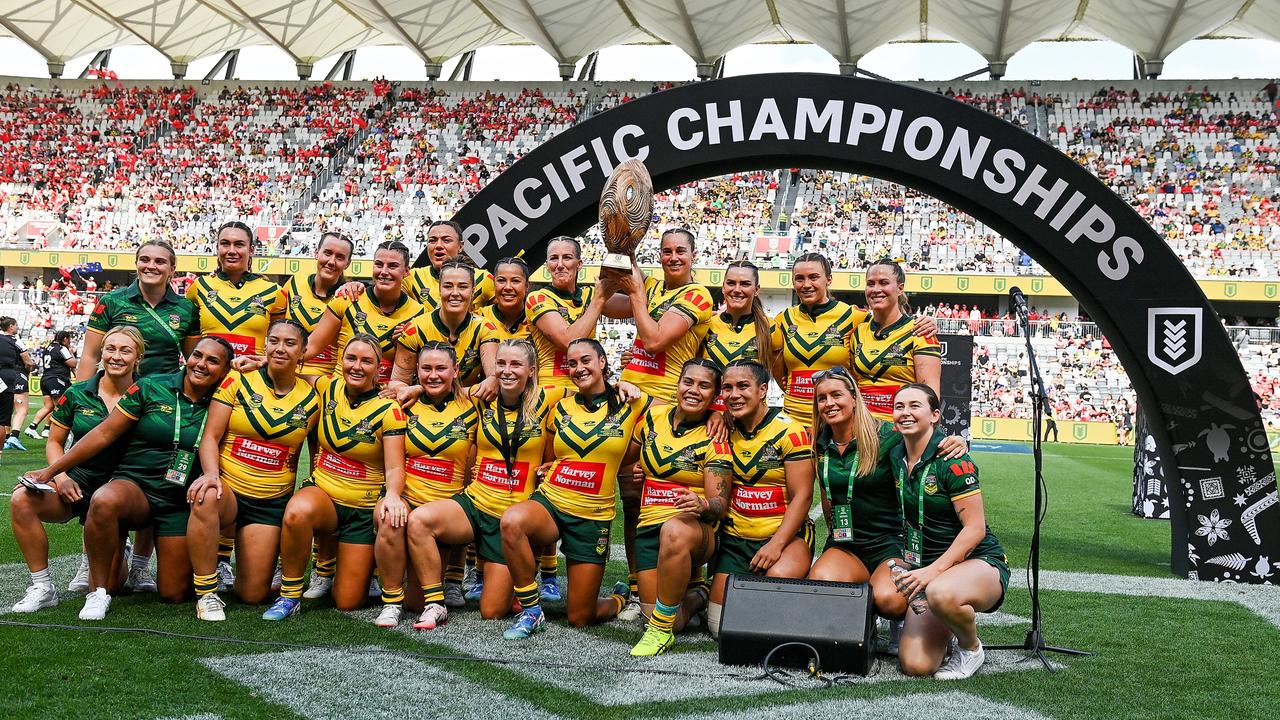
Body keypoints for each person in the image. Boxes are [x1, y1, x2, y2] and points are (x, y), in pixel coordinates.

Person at [21, 337, 234, 620]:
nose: (201, 364)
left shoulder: (226, 396)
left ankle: (134, 554)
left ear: (225, 370)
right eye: (197, 355)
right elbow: (104, 433)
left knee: (173, 592)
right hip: (137, 486)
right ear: (188, 357)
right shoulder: (152, 386)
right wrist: (52, 472)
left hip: (180, 500)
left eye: (213, 361)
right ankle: (97, 592)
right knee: (104, 498)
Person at [407, 339, 564, 629]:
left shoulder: (549, 398)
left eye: (515, 364)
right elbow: (442, 385)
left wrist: (622, 387)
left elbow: (593, 390)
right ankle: (435, 603)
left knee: (491, 611)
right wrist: (415, 387)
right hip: (475, 504)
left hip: (511, 517)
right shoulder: (482, 397)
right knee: (419, 521)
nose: (506, 371)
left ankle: (514, 589)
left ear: (531, 369)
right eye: (501, 364)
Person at [806, 367, 968, 647]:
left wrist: (954, 439)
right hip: (847, 545)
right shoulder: (819, 442)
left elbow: (924, 441)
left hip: (889, 543)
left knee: (890, 600)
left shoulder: (886, 435)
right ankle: (865, 620)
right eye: (822, 398)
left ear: (854, 397)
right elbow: (826, 492)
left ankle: (899, 618)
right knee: (822, 583)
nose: (829, 403)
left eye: (837, 395)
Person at [500, 338, 649, 640]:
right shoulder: (559, 406)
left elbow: (678, 411)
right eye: (572, 363)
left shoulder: (632, 402)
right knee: (512, 521)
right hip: (552, 501)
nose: (579, 368)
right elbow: (550, 455)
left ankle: (619, 598)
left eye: (586, 361)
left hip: (593, 516)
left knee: (580, 617)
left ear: (603, 363)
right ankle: (531, 609)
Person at [263, 335, 407, 620]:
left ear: (379, 369)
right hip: (325, 496)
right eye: (351, 358)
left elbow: (393, 466)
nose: (357, 366)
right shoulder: (329, 387)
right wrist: (260, 362)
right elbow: (296, 372)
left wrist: (392, 495)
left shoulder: (389, 408)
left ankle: (362, 570)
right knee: (297, 512)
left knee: (347, 601)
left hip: (362, 509)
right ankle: (290, 596)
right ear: (341, 362)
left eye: (366, 361)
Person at [610, 229, 715, 618]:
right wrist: (622, 252)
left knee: (674, 498)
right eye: (666, 251)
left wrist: (638, 293)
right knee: (632, 496)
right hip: (631, 404)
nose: (672, 257)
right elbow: (606, 304)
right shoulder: (651, 285)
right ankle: (640, 587)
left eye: (680, 251)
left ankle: (691, 584)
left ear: (693, 255)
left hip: (668, 407)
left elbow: (653, 340)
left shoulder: (696, 295)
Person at [186, 320, 320, 621]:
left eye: (289, 343)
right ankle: (207, 593)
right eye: (273, 341)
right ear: (265, 344)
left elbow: (314, 452)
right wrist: (210, 475)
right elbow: (210, 437)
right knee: (205, 495)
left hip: (270, 502)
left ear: (303, 351)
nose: (280, 348)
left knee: (252, 595)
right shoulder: (237, 380)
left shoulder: (314, 396)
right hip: (229, 490)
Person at [8, 326, 143, 613]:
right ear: (101, 352)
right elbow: (55, 442)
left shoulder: (149, 393)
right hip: (77, 483)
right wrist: (60, 475)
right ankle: (43, 586)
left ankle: (117, 549)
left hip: (122, 490)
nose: (116, 356)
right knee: (21, 499)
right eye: (110, 349)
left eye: (125, 350)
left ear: (138, 357)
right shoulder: (78, 392)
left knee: (114, 586)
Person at [890, 383, 1009, 680]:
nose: (905, 412)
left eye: (914, 406)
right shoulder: (894, 455)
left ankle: (971, 649)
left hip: (977, 561)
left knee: (941, 592)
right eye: (899, 406)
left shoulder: (953, 459)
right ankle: (949, 628)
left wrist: (932, 572)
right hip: (928, 567)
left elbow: (975, 529)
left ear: (934, 415)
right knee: (916, 666)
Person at [629, 360, 731, 656]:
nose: (693, 390)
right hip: (649, 526)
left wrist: (701, 503)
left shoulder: (716, 436)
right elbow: (625, 459)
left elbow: (719, 505)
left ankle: (660, 633)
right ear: (678, 384)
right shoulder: (652, 418)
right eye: (688, 382)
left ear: (714, 396)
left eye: (704, 386)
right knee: (661, 616)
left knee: (674, 531)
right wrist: (639, 470)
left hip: (695, 531)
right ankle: (700, 593)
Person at [707, 360, 814, 638]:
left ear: (763, 390)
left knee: (770, 603)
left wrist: (775, 546)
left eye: (743, 386)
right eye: (727, 388)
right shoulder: (723, 428)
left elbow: (803, 496)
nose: (734, 394)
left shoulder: (790, 430)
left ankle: (795, 586)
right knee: (720, 628)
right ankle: (699, 594)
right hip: (735, 540)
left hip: (785, 537)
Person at [373, 342, 476, 627]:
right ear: (416, 370)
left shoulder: (473, 406)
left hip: (447, 510)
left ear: (455, 370)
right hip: (409, 501)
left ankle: (449, 580)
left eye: (441, 368)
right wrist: (392, 496)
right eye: (426, 368)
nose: (433, 375)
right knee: (387, 514)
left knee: (417, 602)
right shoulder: (403, 405)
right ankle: (390, 601)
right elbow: (394, 463)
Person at [305, 241, 423, 386]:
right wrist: (276, 359)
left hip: (385, 399)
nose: (384, 271)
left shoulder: (419, 314)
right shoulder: (347, 299)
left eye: (392, 266)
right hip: (340, 395)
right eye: (379, 264)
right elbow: (311, 346)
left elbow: (421, 369)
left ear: (406, 271)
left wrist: (406, 344)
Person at [80, 240, 201, 381]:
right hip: (118, 395)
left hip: (165, 395)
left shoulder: (186, 308)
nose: (151, 266)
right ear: (136, 264)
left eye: (160, 262)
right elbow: (90, 355)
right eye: (144, 260)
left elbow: (194, 362)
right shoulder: (111, 301)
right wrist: (80, 399)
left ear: (172, 269)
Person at [852, 260, 941, 419]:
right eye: (870, 284)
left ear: (900, 288)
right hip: (860, 430)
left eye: (884, 283)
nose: (876, 289)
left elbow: (930, 397)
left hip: (900, 432)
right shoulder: (858, 332)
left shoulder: (920, 331)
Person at [186, 221, 287, 357]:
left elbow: (280, 343)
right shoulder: (200, 286)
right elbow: (190, 341)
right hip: (209, 375)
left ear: (251, 250)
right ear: (217, 248)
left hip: (251, 376)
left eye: (239, 244)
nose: (231, 251)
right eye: (225, 244)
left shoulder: (273, 292)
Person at [527, 236, 615, 389]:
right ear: (547, 265)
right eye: (554, 259)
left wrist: (624, 256)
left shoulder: (591, 295)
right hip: (552, 390)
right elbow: (568, 342)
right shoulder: (538, 298)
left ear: (579, 264)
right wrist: (599, 300)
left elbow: (637, 303)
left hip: (588, 387)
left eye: (567, 258)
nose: (560, 265)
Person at [393, 258, 493, 387]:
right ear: (439, 290)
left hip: (468, 404)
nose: (455, 293)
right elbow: (397, 382)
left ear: (473, 292)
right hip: (424, 405)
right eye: (448, 286)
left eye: (462, 287)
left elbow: (493, 380)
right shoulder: (414, 329)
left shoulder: (485, 328)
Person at [281, 231, 355, 377]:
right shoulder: (295, 282)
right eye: (327, 253)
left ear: (347, 264)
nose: (332, 261)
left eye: (340, 257)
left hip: (323, 380)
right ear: (316, 253)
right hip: (285, 370)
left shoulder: (349, 296)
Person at [403, 220, 495, 310]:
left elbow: (502, 316)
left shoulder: (482, 278)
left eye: (446, 240)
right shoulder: (412, 278)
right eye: (432, 240)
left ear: (460, 246)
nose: (438, 245)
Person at [702, 260, 772, 368]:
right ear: (723, 288)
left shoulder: (771, 328)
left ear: (756, 290)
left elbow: (782, 379)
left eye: (745, 284)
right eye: (731, 283)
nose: (737, 290)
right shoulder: (706, 326)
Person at [25, 330, 77, 439]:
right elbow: (73, 363)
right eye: (69, 339)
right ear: (65, 339)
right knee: (61, 406)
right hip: (57, 379)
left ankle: (33, 427)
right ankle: (62, 432)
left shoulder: (48, 348)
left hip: (45, 379)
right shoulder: (62, 348)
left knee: (49, 407)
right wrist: (71, 352)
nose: (70, 342)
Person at [0, 317, 36, 459]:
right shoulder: (15, 341)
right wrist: (28, 372)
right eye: (16, 325)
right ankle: (12, 437)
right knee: (11, 413)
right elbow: (28, 361)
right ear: (10, 326)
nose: (18, 327)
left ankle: (10, 436)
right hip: (12, 375)